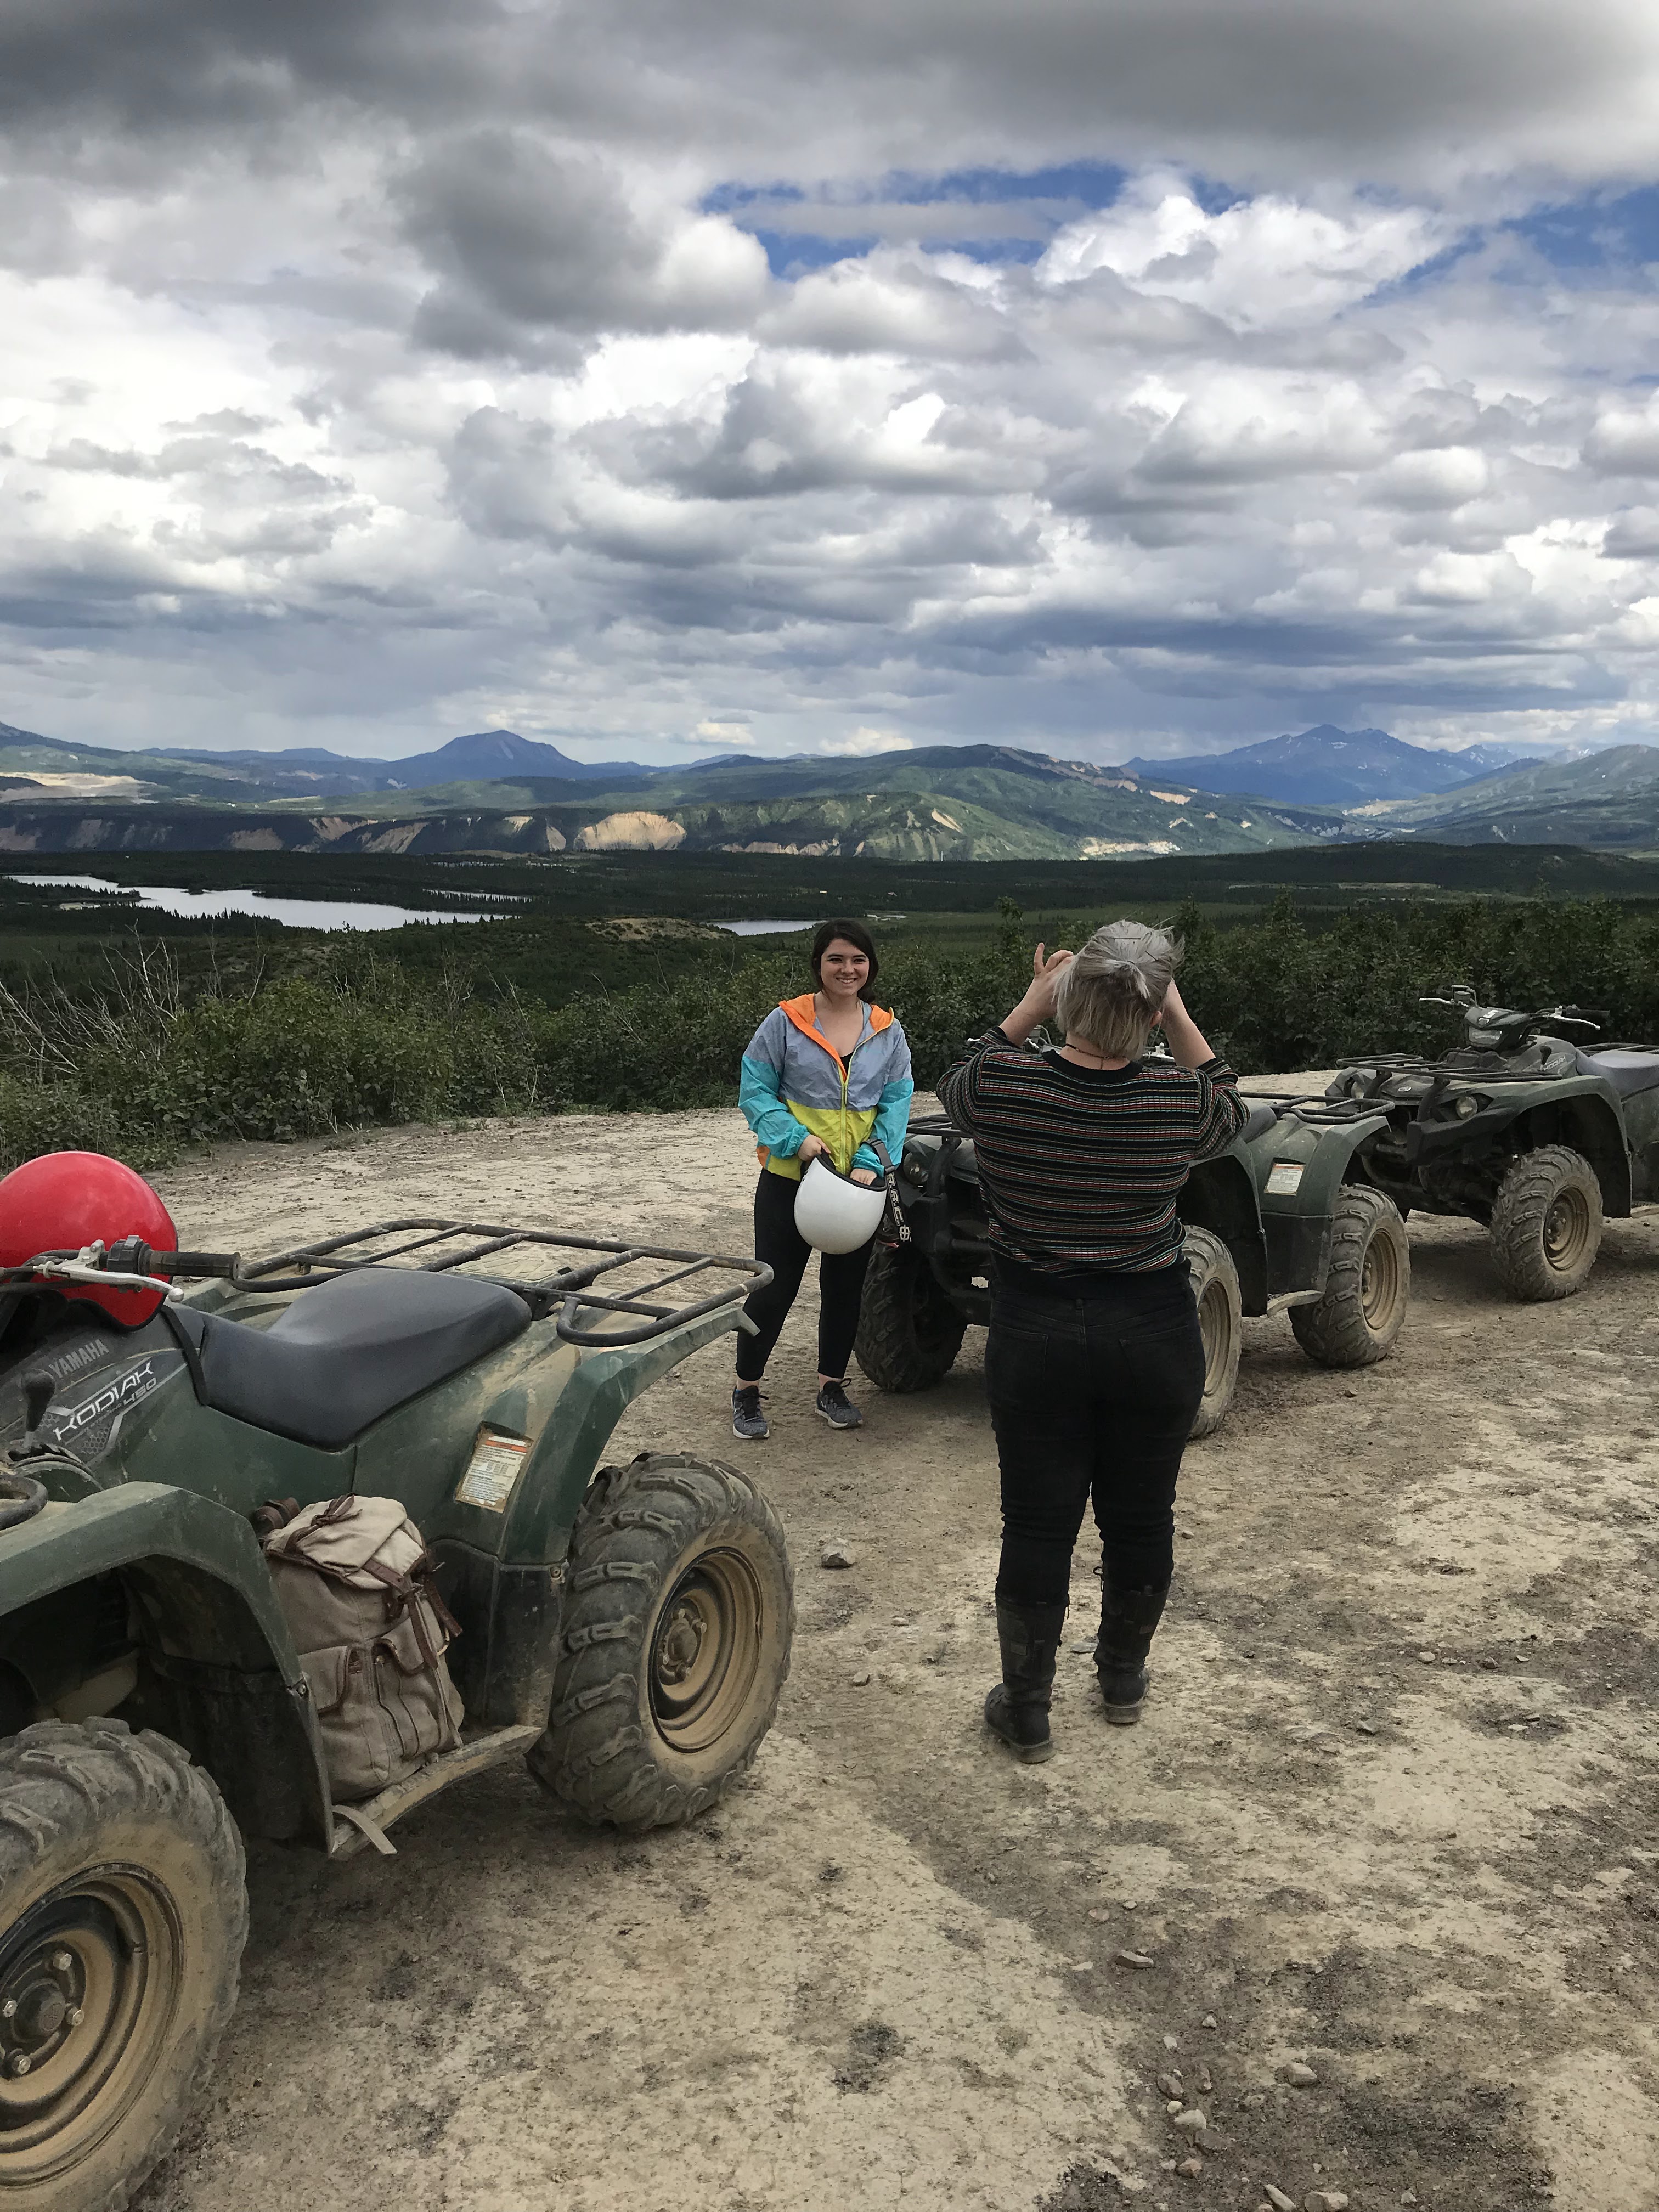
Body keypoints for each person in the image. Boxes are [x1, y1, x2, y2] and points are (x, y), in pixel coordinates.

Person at [937, 920, 1245, 1762]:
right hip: (1153, 1331)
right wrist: (1174, 1011)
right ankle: (1121, 1680)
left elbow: (957, 1084)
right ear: (1151, 1011)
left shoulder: (1005, 1087)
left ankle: (1028, 1708)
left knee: (1037, 1526)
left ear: (1067, 998)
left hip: (1036, 1330)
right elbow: (1229, 1103)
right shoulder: (1178, 1100)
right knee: (1142, 1517)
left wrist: (1030, 1006)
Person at [732, 919, 913, 1438]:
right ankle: (746, 1390)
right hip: (791, 1178)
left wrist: (874, 1159)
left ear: (870, 966)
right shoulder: (785, 1022)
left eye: (858, 960)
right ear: (819, 964)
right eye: (836, 959)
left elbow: (897, 1100)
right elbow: (755, 1089)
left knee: (845, 1289)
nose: (847, 969)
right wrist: (795, 1140)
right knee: (773, 1288)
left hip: (856, 1183)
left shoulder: (887, 1030)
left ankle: (831, 1387)